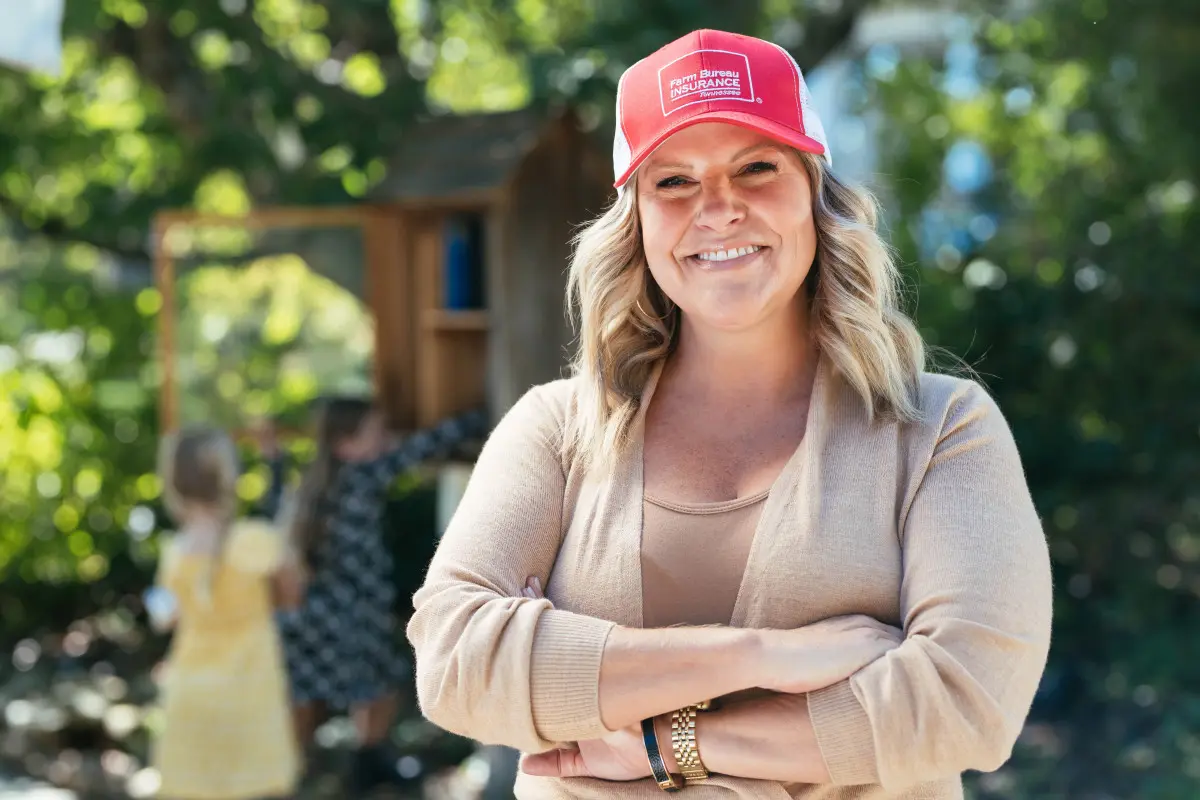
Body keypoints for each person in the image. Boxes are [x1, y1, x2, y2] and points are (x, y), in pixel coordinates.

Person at [406, 28, 1053, 800]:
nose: (719, 209)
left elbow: (966, 702)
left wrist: (664, 744)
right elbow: (452, 662)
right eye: (673, 182)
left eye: (756, 168)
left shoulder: (938, 429)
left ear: (817, 195)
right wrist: (758, 658)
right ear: (635, 221)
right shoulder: (555, 432)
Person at [272, 396, 483, 792]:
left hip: (318, 613)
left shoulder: (318, 483)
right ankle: (365, 756)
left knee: (321, 690)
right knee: (381, 682)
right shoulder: (360, 477)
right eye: (375, 433)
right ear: (344, 445)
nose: (385, 440)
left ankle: (311, 767)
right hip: (351, 613)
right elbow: (419, 449)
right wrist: (476, 418)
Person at [149, 426, 302, 800]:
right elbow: (292, 597)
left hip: (192, 694)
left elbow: (164, 618)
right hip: (251, 693)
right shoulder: (255, 540)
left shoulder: (174, 550)